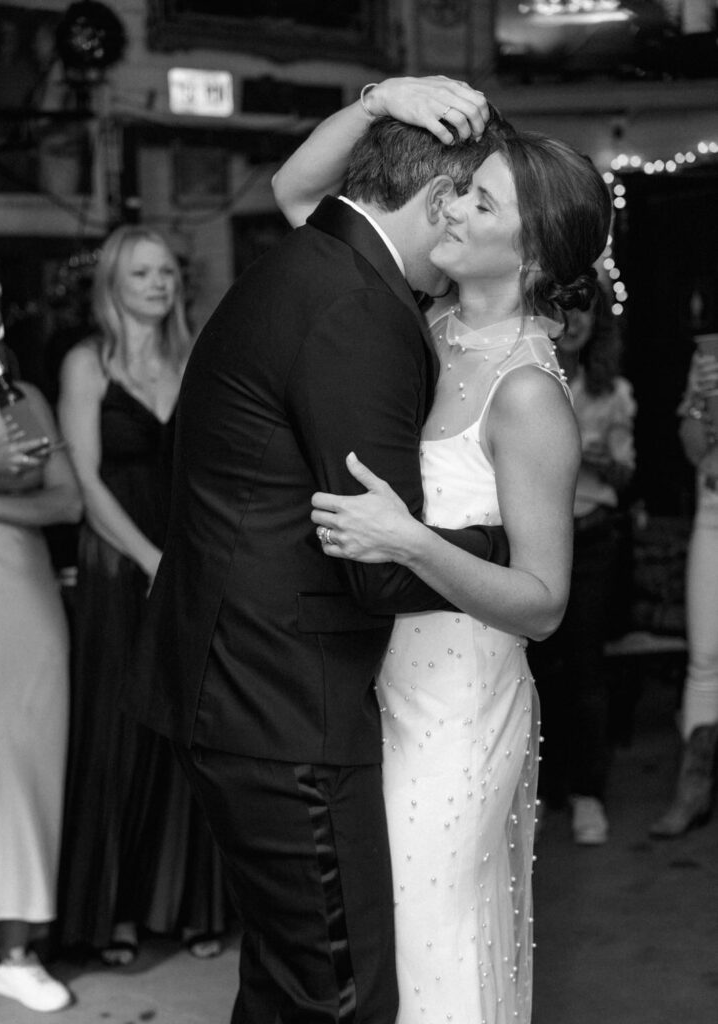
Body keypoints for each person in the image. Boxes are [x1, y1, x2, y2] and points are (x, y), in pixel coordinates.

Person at [126, 77, 516, 1024]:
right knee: (337, 998)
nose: (467, 219)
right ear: (434, 201)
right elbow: (377, 561)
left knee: (286, 986)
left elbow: (296, 182)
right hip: (283, 700)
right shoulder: (358, 310)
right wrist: (522, 548)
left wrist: (381, 101)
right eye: (466, 200)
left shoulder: (309, 258)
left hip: (237, 682)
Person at [276, 86, 611, 1021]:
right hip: (373, 690)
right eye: (460, 192)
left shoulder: (528, 397)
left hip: (459, 711)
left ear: (535, 251)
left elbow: (543, 602)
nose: (451, 207)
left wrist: (408, 541)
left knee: (434, 951)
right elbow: (300, 196)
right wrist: (377, 101)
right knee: (380, 954)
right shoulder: (416, 322)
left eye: (480, 202)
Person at [56, 225, 227, 964]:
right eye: (141, 273)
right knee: (121, 736)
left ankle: (193, 906)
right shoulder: (85, 363)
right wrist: (150, 557)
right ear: (113, 285)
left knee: (192, 733)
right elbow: (86, 484)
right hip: (120, 564)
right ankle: (116, 913)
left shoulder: (196, 359)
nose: (157, 285)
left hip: (188, 561)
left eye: (165, 272)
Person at [0, 268, 82, 1013]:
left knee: (25, 756)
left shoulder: (22, 400)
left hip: (19, 593)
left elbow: (65, 500)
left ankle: (15, 946)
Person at [527, 284, 636, 844]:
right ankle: (543, 791)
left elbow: (625, 475)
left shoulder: (611, 392)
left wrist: (599, 461)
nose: (575, 321)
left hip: (593, 539)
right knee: (540, 670)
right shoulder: (531, 378)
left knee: (587, 668)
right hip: (540, 539)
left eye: (586, 311)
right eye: (566, 309)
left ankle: (590, 793)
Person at [650, 345, 718, 837]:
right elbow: (695, 450)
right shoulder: (708, 360)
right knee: (704, 658)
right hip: (713, 514)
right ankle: (693, 791)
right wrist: (702, 401)